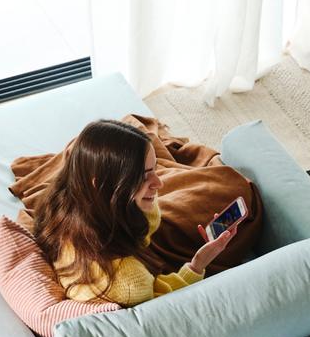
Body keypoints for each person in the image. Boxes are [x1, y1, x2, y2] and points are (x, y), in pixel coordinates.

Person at [32, 119, 239, 307]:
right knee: (234, 189)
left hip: (128, 236)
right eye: (143, 176)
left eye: (155, 169)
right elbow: (167, 305)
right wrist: (197, 265)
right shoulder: (130, 282)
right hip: (137, 264)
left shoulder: (62, 201)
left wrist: (142, 192)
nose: (159, 183)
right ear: (101, 186)